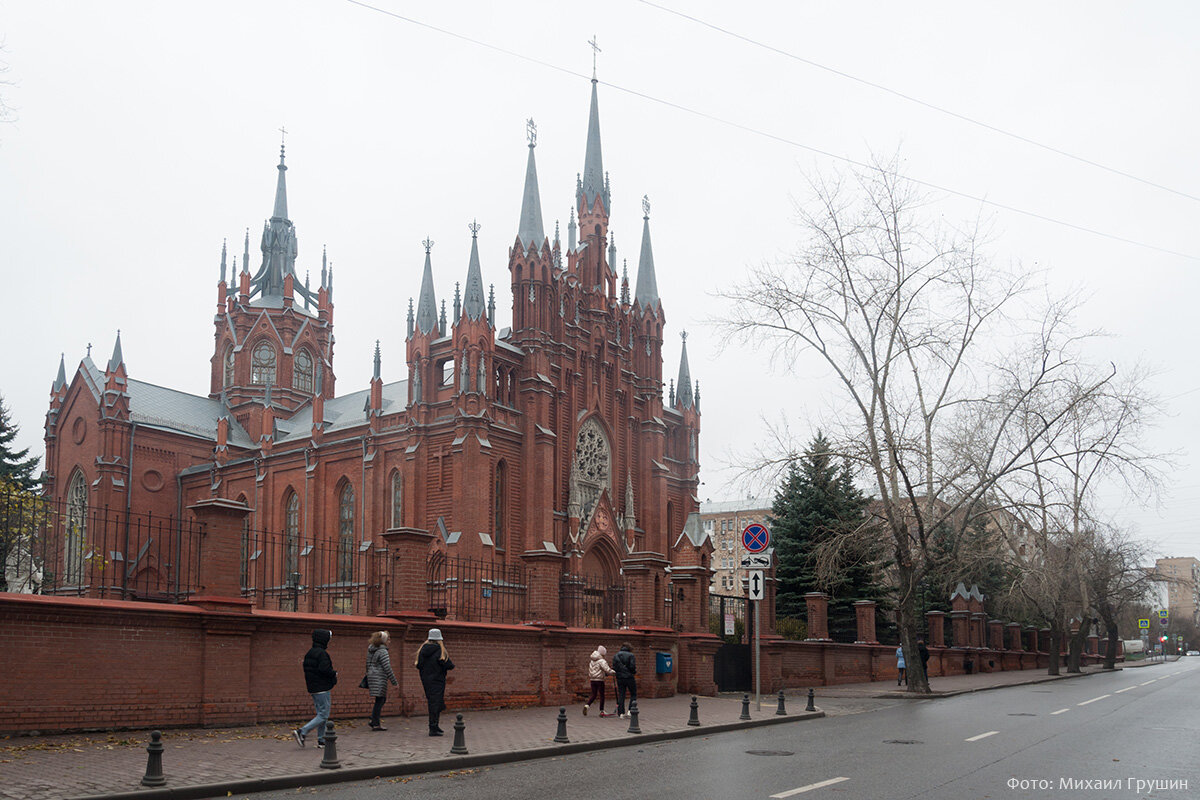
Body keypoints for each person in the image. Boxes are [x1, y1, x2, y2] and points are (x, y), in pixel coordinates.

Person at [294, 629, 337, 748]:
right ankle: (302, 731)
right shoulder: (322, 654)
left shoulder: (310, 653)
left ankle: (321, 740)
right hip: (322, 686)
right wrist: (334, 673)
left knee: (321, 714)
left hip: (313, 687)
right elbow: (325, 670)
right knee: (323, 714)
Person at [415, 628, 454, 736]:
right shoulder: (440, 650)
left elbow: (418, 665)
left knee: (433, 702)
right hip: (438, 680)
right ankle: (433, 727)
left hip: (426, 680)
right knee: (435, 703)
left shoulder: (422, 650)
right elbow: (450, 665)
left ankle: (435, 726)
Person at [365, 630, 398, 731]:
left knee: (379, 700)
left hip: (372, 676)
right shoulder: (383, 651)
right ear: (383, 641)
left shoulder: (371, 649)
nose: (390, 641)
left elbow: (367, 664)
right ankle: (375, 722)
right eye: (388, 639)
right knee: (381, 700)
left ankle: (374, 720)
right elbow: (387, 667)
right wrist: (394, 682)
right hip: (379, 678)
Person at [584, 644, 616, 717]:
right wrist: (613, 672)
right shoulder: (602, 661)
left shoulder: (592, 660)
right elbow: (607, 670)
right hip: (600, 680)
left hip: (592, 679)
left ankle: (587, 705)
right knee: (602, 695)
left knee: (594, 694)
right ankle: (601, 710)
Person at [612, 642, 637, 719]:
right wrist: (633, 672)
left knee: (622, 695)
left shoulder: (616, 656)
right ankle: (630, 710)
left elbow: (614, 667)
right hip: (629, 677)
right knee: (633, 694)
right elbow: (632, 667)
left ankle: (621, 713)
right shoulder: (631, 655)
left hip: (620, 678)